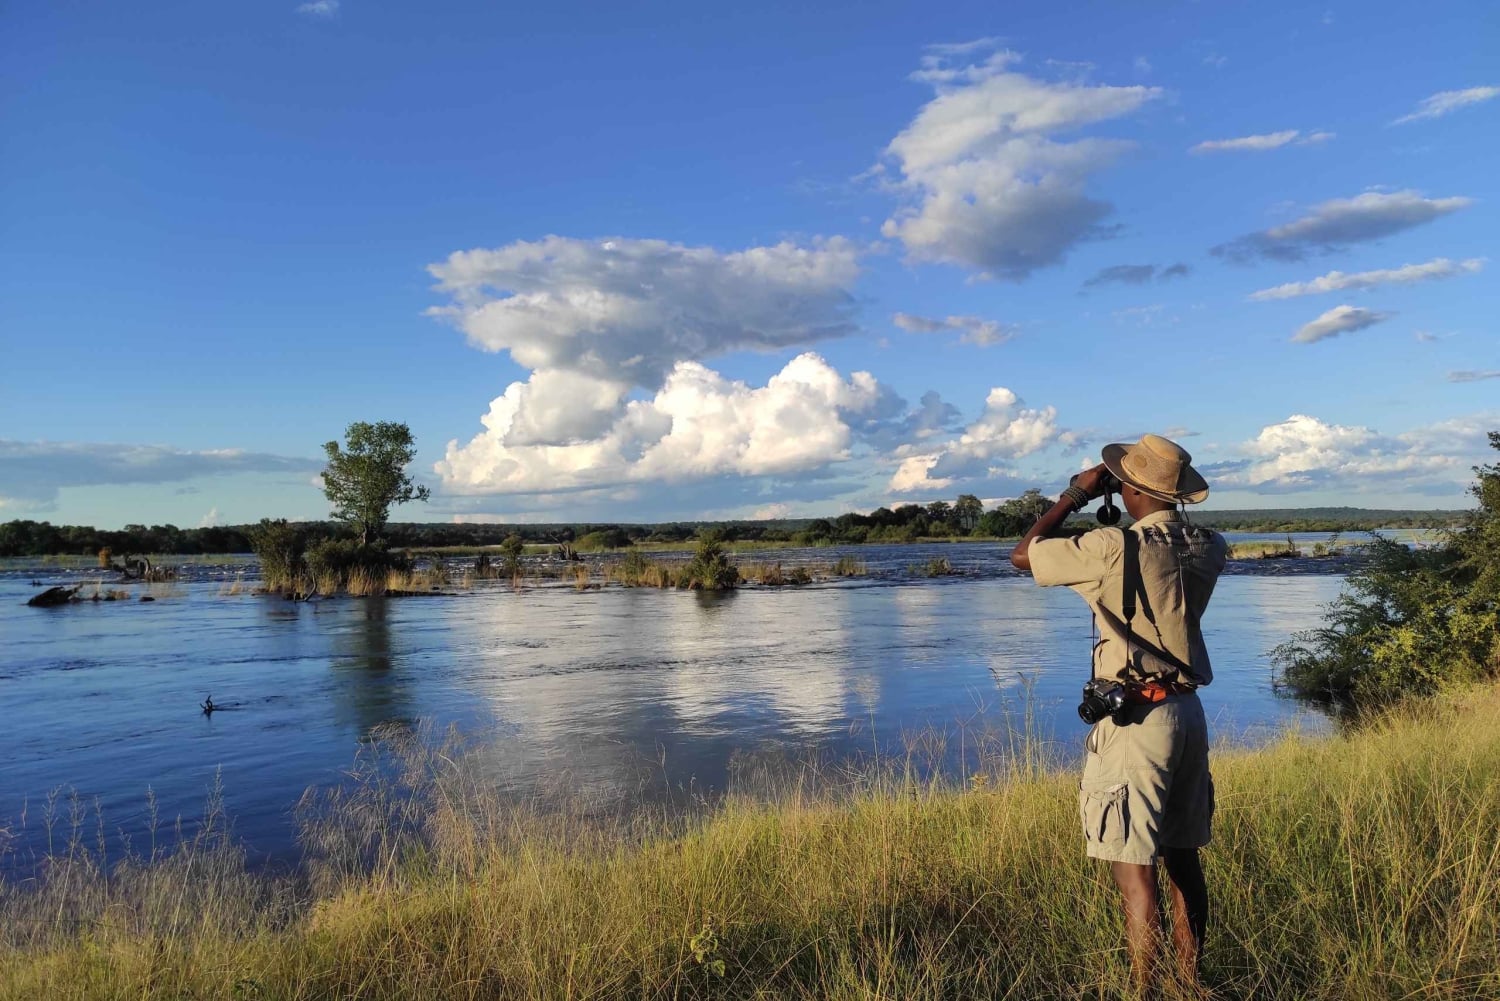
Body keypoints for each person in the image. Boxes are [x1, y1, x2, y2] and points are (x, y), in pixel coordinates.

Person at [1009, 433, 1227, 993]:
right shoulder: (1210, 544)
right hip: (1187, 712)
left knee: (1135, 871)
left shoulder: (1111, 547)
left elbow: (1023, 553)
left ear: (1129, 488)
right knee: (1184, 860)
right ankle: (1190, 984)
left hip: (1137, 723)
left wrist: (1074, 495)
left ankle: (1143, 990)